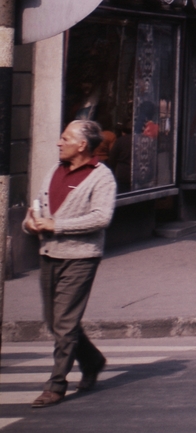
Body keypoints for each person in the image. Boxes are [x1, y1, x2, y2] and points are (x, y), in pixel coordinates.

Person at [23, 120, 116, 408]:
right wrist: (30, 223)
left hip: (81, 257)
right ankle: (92, 360)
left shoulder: (101, 177)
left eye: (65, 138)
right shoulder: (55, 169)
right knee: (55, 321)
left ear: (82, 145)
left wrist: (57, 225)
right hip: (49, 253)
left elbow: (101, 217)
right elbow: (38, 205)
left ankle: (56, 384)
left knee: (64, 323)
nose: (59, 143)